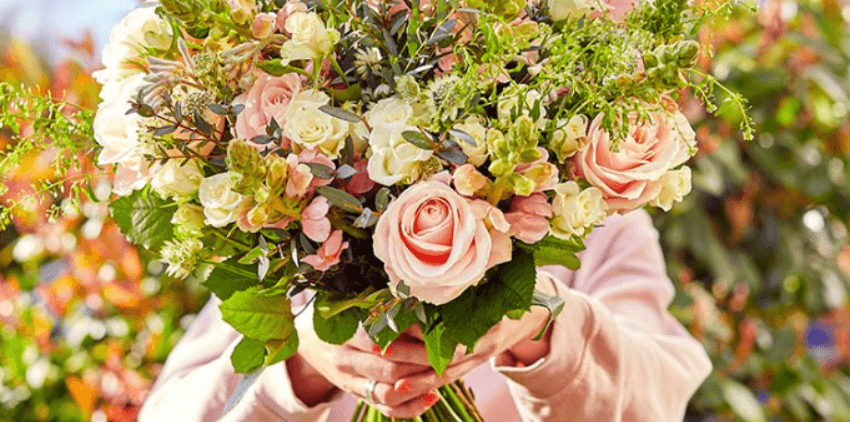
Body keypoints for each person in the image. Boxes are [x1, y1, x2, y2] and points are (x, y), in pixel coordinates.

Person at [139, 210, 712, 421]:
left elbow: (658, 397)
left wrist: (542, 326)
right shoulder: (295, 226)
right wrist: (305, 359)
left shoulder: (598, 215)